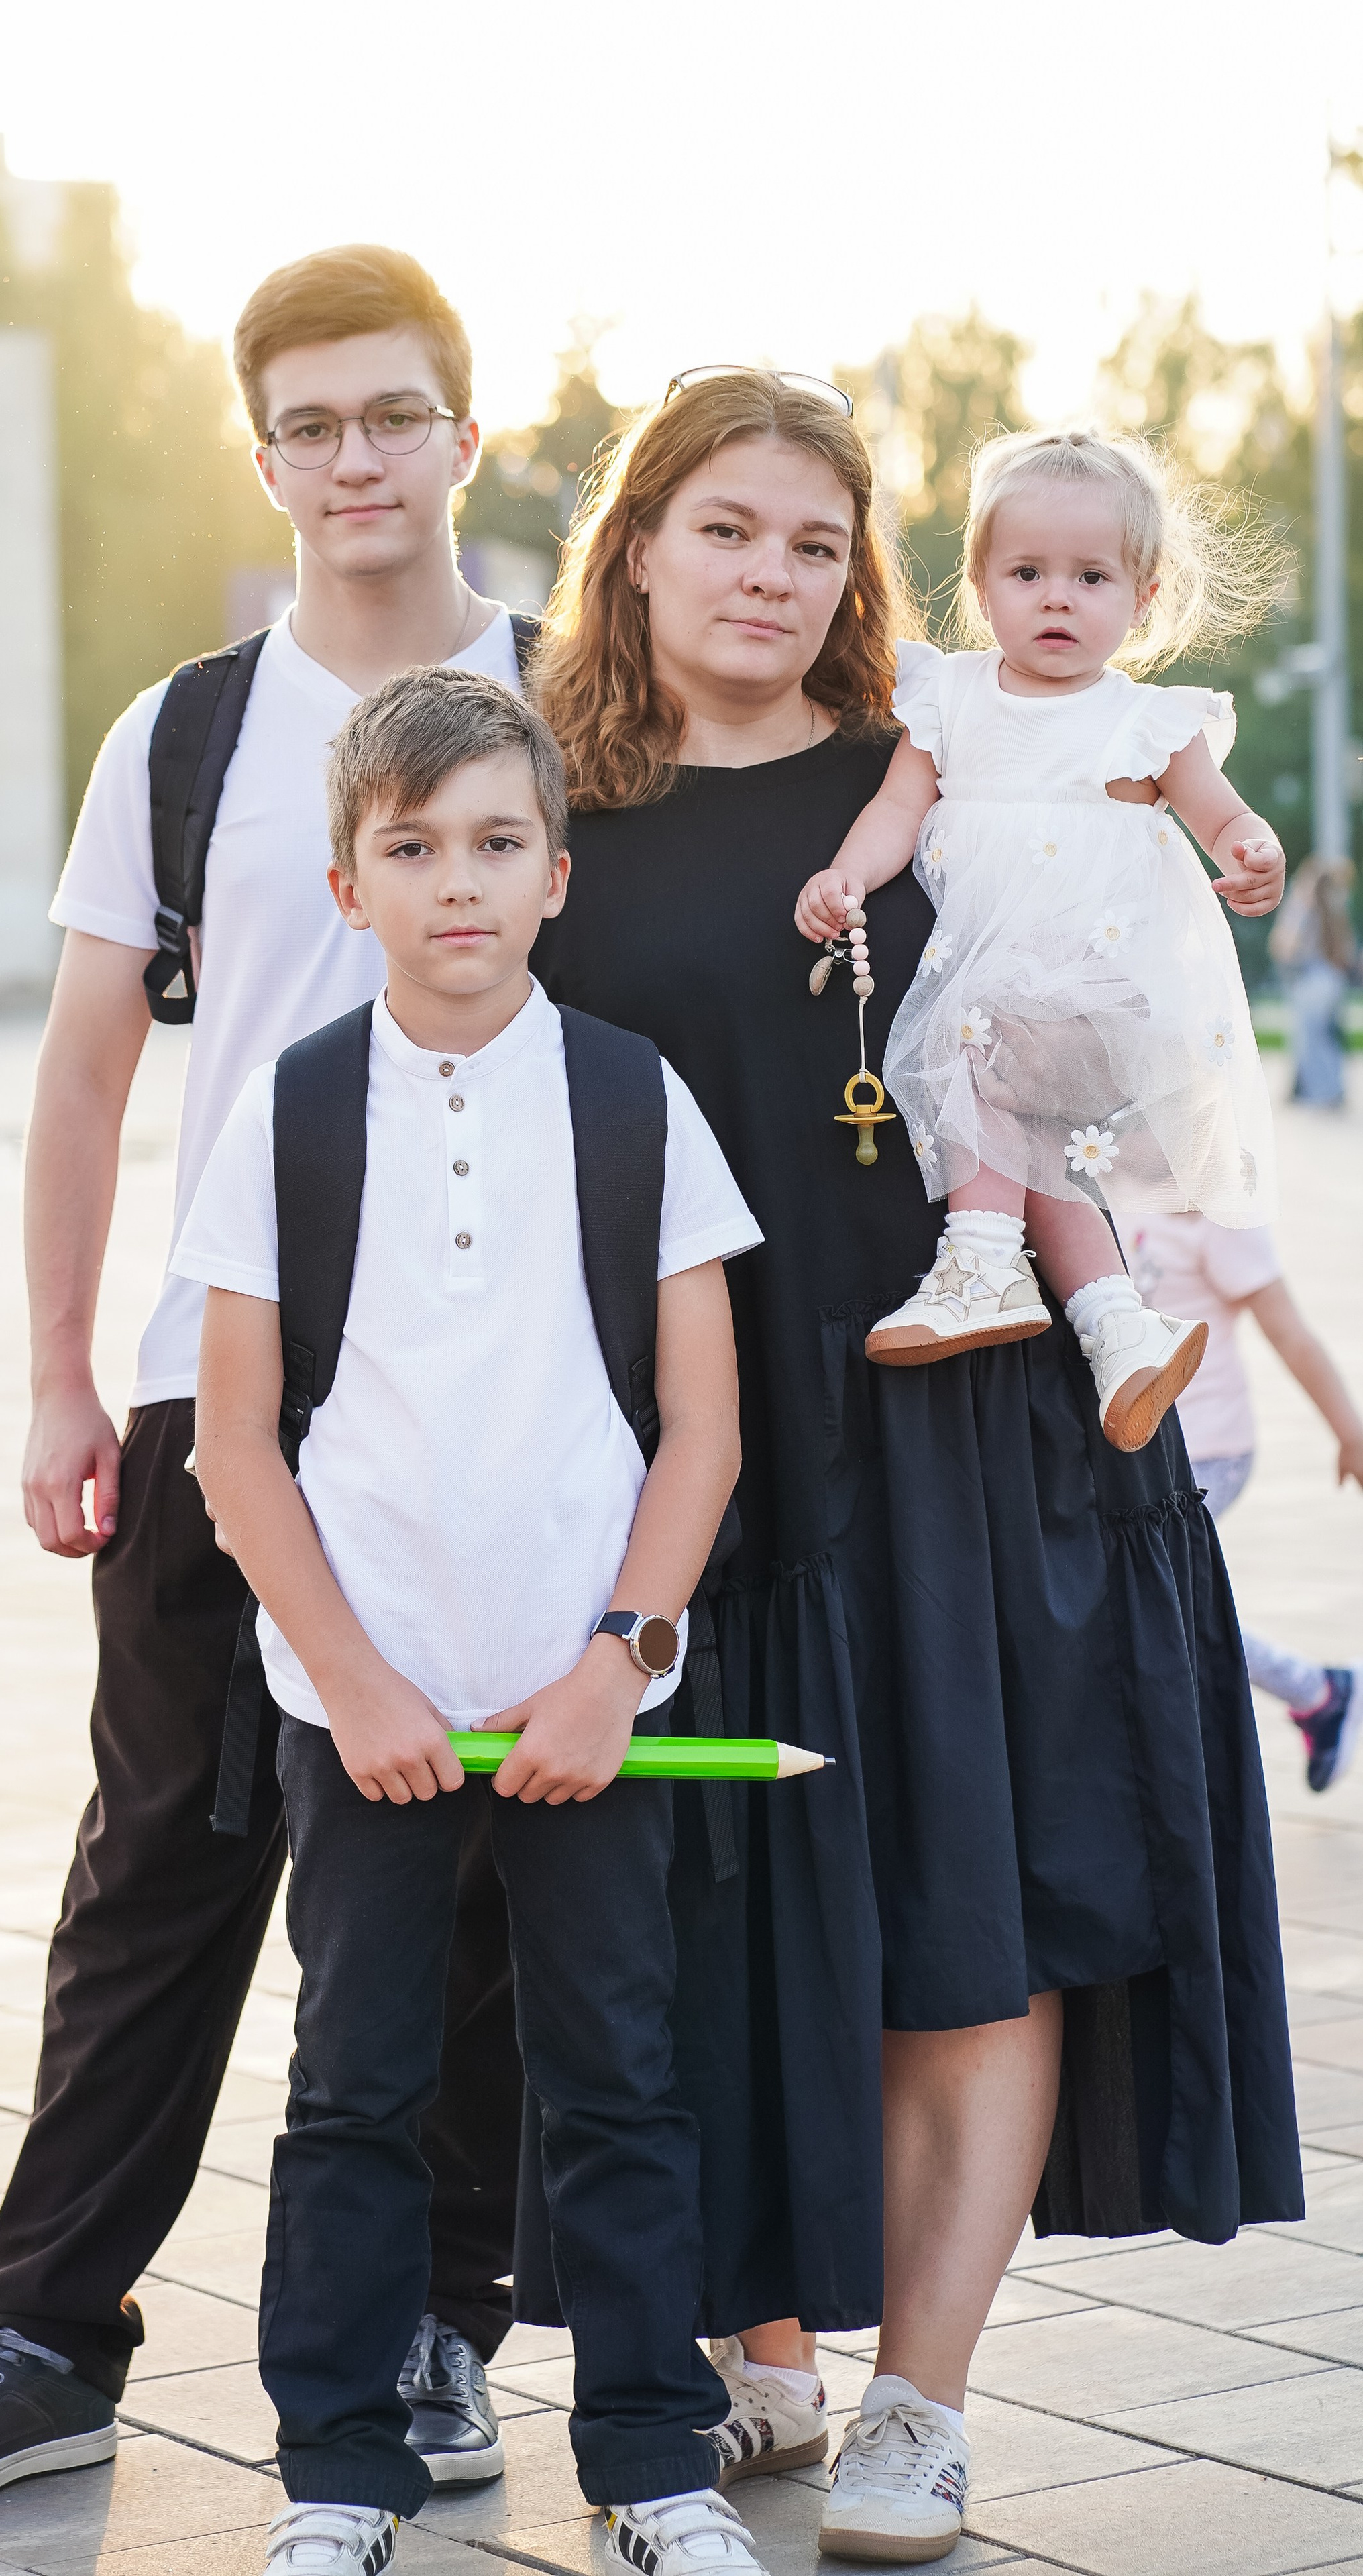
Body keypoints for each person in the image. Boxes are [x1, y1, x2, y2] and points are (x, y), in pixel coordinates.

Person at [529, 368, 1302, 2565]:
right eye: (727, 530)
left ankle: (925, 2406)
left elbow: (1129, 1036)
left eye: (813, 539)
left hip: (978, 1425)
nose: (772, 575)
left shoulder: (951, 768)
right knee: (715, 1925)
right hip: (686, 1450)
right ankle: (757, 2347)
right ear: (641, 546)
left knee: (991, 1920)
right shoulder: (547, 805)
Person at [0, 245, 529, 2511]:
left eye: (392, 413)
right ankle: (49, 2335)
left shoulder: (569, 698)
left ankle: (445, 2323)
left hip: (504, 1409)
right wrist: (55, 1382)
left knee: (465, 1892)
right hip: (209, 1392)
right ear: (267, 454)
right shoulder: (193, 729)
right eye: (311, 422)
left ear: (466, 434)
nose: (355, 457)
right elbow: (74, 1079)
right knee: (157, 1872)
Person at [180, 665, 771, 2576]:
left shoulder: (630, 1097)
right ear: (348, 885)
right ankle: (338, 2485)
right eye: (412, 848)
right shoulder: (289, 1115)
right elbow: (238, 1449)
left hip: (583, 1706)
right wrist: (350, 1681)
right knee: (357, 2092)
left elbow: (704, 1428)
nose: (459, 883)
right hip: (363, 1710)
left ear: (556, 873)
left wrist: (620, 1661)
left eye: (497, 844)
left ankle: (655, 2469)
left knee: (618, 2083)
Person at [796, 428, 1285, 1455]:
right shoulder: (952, 697)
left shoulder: (1147, 722)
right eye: (1028, 573)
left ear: (1143, 596)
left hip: (1094, 982)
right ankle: (1120, 1326)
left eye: (1092, 576)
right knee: (1030, 1146)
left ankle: (981, 1262)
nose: (1058, 598)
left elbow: (1222, 816)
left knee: (982, 1056)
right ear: (982, 585)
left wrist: (1253, 851)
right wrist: (848, 875)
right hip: (993, 973)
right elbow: (897, 810)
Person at [1127, 1211, 1363, 1787]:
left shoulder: (1218, 1215)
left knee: (1169, 1600)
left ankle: (1318, 1691)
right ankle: (1319, 1693)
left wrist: (1350, 1432)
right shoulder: (1106, 1176)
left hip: (1208, 1451)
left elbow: (1289, 1332)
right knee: (1157, 1599)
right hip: (1133, 1450)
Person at [1272, 853, 1356, 1109]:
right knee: (1328, 1035)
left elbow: (1285, 945)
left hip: (1310, 978)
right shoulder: (1334, 908)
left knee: (1309, 1037)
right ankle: (1331, 1090)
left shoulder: (1304, 906)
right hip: (1332, 979)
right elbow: (1347, 951)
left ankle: (1318, 1093)